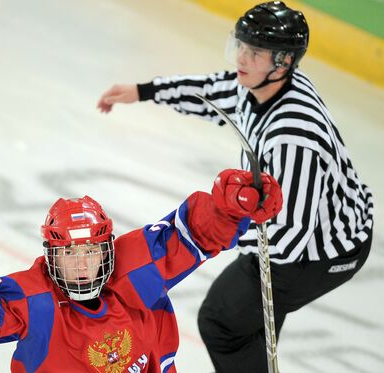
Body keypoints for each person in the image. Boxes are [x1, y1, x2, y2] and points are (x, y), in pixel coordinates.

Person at [97, 2, 374, 372]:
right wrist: (144, 91)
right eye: (240, 45)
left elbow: (289, 239)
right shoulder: (263, 84)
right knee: (245, 319)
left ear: (283, 62)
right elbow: (215, 92)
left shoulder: (293, 136)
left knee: (222, 322)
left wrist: (213, 234)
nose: (241, 58)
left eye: (255, 52)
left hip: (322, 254)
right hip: (293, 236)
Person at [0, 169, 282, 372]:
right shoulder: (36, 299)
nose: (82, 264)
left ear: (107, 248)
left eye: (91, 251)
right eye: (70, 253)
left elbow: (190, 235)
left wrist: (229, 210)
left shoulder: (136, 269)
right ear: (51, 256)